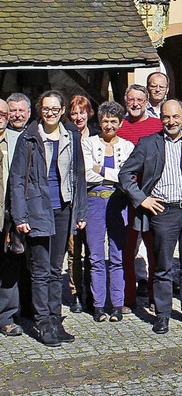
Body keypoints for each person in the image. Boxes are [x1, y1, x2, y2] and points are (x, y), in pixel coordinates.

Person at [119, 99, 182, 334]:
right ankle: (162, 315)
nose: (170, 121)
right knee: (162, 267)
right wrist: (142, 199)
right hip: (162, 212)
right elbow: (125, 174)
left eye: (175, 117)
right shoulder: (148, 143)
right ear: (160, 118)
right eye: (166, 117)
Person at [10, 90, 88, 347]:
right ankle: (43, 324)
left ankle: (56, 321)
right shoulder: (28, 138)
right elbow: (17, 178)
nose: (51, 113)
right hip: (38, 209)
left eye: (55, 109)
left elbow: (79, 176)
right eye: (46, 108)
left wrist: (80, 211)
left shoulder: (71, 136)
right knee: (41, 271)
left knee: (57, 270)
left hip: (63, 209)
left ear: (62, 110)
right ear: (39, 110)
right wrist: (20, 215)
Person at [82, 101, 134, 323]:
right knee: (95, 256)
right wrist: (111, 174)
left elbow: (127, 177)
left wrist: (100, 169)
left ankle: (117, 304)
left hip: (118, 202)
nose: (109, 125)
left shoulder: (129, 146)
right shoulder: (88, 143)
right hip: (94, 201)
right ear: (99, 121)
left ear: (121, 123)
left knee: (117, 255)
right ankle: (98, 305)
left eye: (114, 121)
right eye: (105, 120)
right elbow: (86, 174)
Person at [117, 84, 163, 312]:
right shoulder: (119, 127)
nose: (135, 104)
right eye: (131, 100)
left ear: (146, 103)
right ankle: (128, 297)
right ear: (126, 102)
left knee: (155, 250)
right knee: (127, 250)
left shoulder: (157, 126)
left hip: (154, 198)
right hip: (127, 198)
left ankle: (156, 296)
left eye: (139, 100)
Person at [67, 94, 98, 313]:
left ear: (89, 113)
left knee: (93, 249)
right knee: (74, 251)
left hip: (93, 196)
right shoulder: (66, 136)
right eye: (74, 113)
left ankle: (92, 292)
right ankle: (76, 292)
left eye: (82, 112)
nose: (79, 117)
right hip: (72, 199)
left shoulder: (96, 135)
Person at [0, 98, 22, 337]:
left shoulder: (18, 141)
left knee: (9, 267)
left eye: (4, 113)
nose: (1, 116)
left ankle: (6, 316)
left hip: (10, 213)